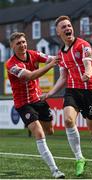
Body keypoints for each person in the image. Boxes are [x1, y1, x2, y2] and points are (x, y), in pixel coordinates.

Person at [41, 15, 92, 177]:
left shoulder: (83, 45)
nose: (67, 28)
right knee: (69, 120)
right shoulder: (61, 55)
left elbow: (88, 64)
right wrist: (50, 93)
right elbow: (63, 78)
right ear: (58, 33)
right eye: (63, 27)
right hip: (72, 91)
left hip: (90, 90)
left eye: (69, 25)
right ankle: (79, 158)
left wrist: (88, 73)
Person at [5, 32, 65, 179]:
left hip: (39, 99)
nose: (22, 45)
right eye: (18, 43)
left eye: (24, 42)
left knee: (50, 131)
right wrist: (51, 65)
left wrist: (63, 58)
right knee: (39, 133)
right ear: (12, 46)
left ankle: (39, 136)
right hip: (23, 104)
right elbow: (30, 76)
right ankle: (55, 170)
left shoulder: (34, 54)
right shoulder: (11, 64)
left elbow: (52, 58)